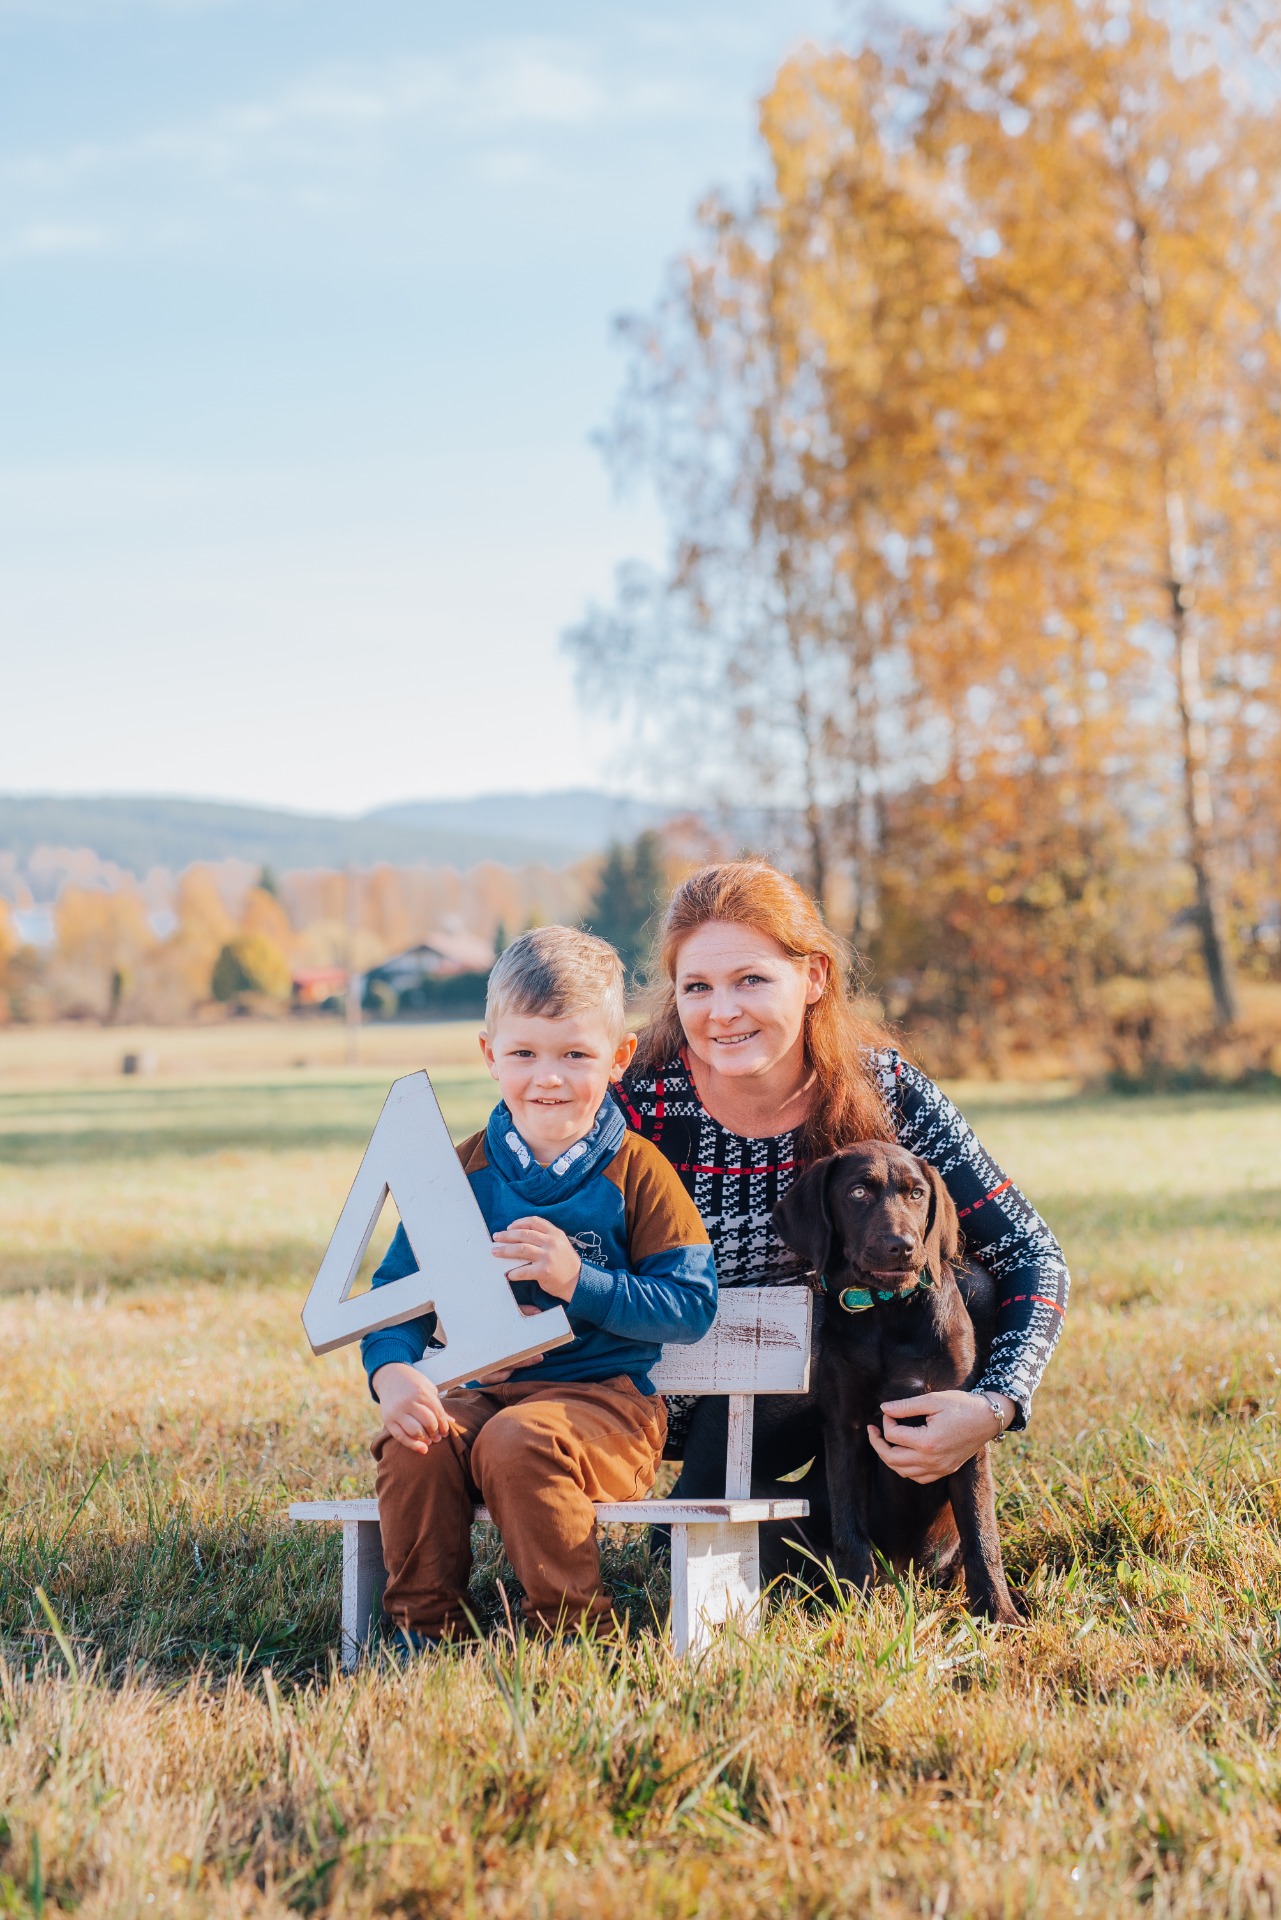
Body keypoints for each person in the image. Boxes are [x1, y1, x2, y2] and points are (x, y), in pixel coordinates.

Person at [615, 861, 1070, 1528]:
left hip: (830, 1376)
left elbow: (1032, 1253)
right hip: (677, 1383)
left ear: (814, 978)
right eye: (697, 986)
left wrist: (996, 1403)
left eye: (751, 979)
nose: (722, 1011)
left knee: (964, 1284)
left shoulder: (884, 1089)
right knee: (790, 1339)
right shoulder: (636, 1101)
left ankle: (893, 1515)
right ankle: (704, 1501)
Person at [361, 924, 717, 1648]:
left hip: (610, 1409)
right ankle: (427, 1630)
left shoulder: (638, 1172)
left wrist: (578, 1280)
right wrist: (392, 1371)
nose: (547, 1077)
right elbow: (398, 1294)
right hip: (484, 1397)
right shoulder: (458, 1173)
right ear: (489, 1055)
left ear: (618, 1058)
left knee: (518, 1440)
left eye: (575, 1055)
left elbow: (690, 1306)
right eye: (523, 1053)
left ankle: (572, 1632)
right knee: (416, 1445)